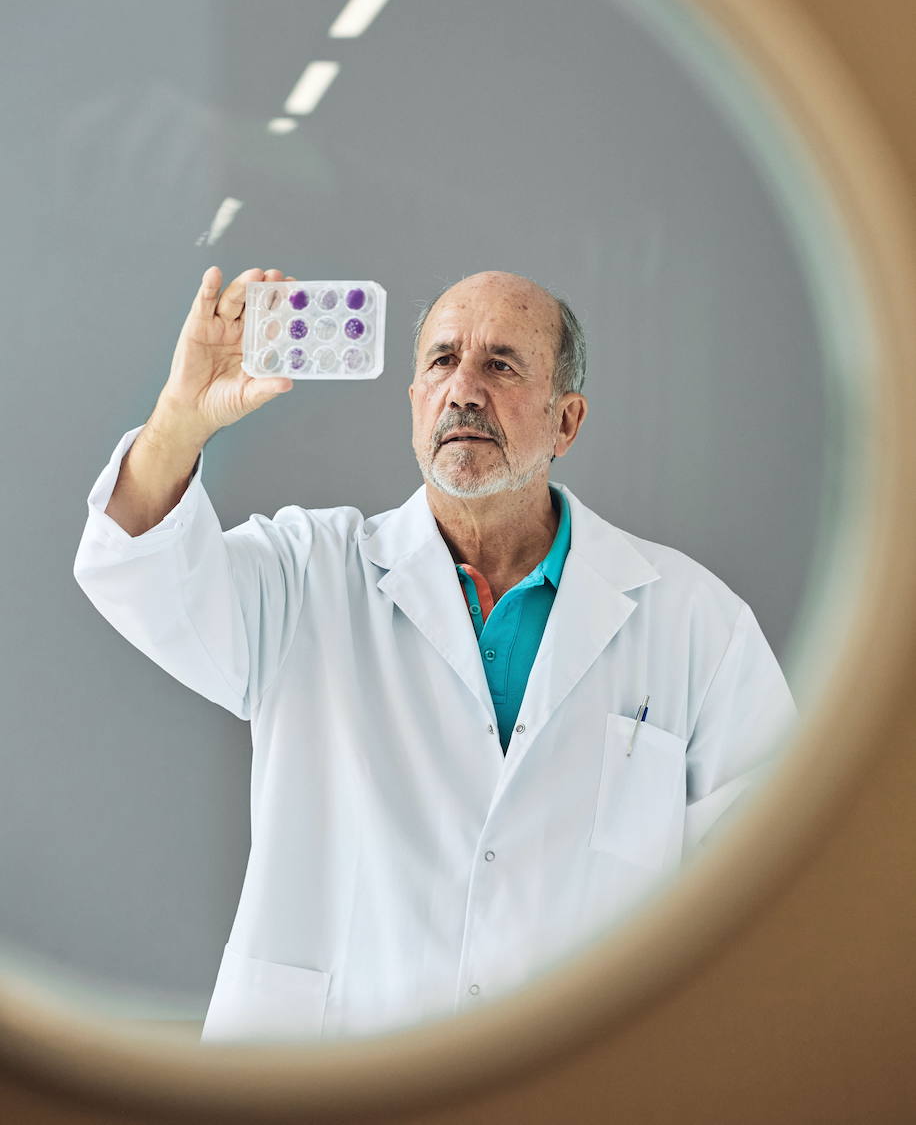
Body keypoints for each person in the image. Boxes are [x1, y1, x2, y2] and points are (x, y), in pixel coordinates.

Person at [73, 264, 797, 1044]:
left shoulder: (697, 623)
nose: (464, 390)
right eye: (441, 362)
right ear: (415, 402)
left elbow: (766, 887)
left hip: (574, 1078)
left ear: (567, 421)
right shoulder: (308, 572)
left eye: (501, 365)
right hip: (324, 1074)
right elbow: (139, 570)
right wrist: (181, 417)